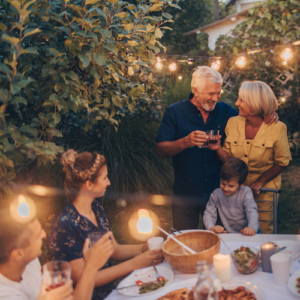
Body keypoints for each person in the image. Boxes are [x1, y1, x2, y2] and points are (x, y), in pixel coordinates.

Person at [155, 66, 278, 231]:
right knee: (185, 240)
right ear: (195, 90)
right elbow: (160, 150)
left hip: (221, 192)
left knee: (222, 241)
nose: (216, 98)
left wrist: (269, 114)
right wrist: (185, 142)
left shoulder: (226, 112)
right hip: (186, 193)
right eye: (211, 93)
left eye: (218, 93)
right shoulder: (175, 112)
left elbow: (250, 116)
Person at [48, 150, 163, 300]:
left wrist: (145, 248)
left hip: (112, 291)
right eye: (105, 178)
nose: (108, 182)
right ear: (89, 184)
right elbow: (86, 278)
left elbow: (113, 249)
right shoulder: (65, 226)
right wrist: (135, 263)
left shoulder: (95, 207)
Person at [210, 81, 292, 233]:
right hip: (237, 190)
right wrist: (218, 148)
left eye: (241, 100)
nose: (237, 103)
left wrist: (260, 181)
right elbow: (230, 160)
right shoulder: (233, 123)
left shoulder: (277, 128)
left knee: (262, 232)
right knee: (238, 231)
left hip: (264, 191)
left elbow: (283, 162)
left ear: (254, 104)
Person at [0, 204, 114, 300]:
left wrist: (91, 267)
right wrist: (91, 267)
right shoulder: (5, 294)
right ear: (18, 254)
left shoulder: (29, 263)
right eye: (37, 235)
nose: (44, 234)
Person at [203, 157, 260, 235]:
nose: (226, 188)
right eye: (223, 184)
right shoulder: (216, 194)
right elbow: (209, 213)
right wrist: (211, 227)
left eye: (231, 186)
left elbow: (251, 211)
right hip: (229, 233)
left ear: (241, 184)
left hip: (248, 232)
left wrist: (252, 228)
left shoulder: (245, 192)